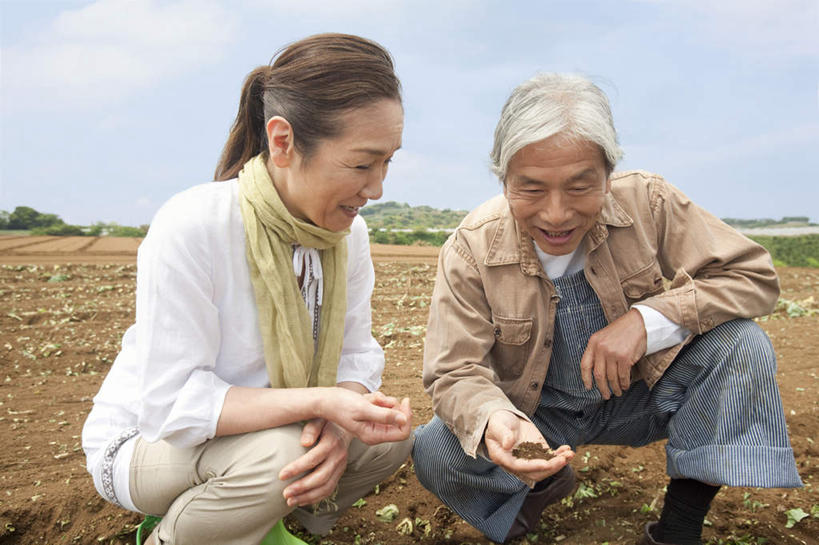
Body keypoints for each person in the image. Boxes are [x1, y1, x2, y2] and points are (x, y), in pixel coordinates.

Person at [411, 73, 802, 545]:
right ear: (503, 178)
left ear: (608, 174)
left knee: (741, 345)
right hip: (538, 414)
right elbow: (454, 370)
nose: (556, 214)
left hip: (643, 397)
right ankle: (543, 481)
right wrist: (498, 419)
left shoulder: (649, 203)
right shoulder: (472, 247)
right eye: (531, 188)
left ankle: (677, 530)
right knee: (436, 449)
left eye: (580, 186)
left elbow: (753, 277)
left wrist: (648, 321)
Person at [82, 33, 412, 545]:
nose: (377, 188)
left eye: (388, 161)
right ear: (282, 142)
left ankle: (268, 527)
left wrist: (342, 419)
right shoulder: (195, 224)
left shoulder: (349, 235)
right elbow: (173, 405)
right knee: (281, 455)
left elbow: (355, 355)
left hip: (266, 434)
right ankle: (171, 537)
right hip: (148, 442)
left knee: (389, 435)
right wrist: (322, 404)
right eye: (361, 163)